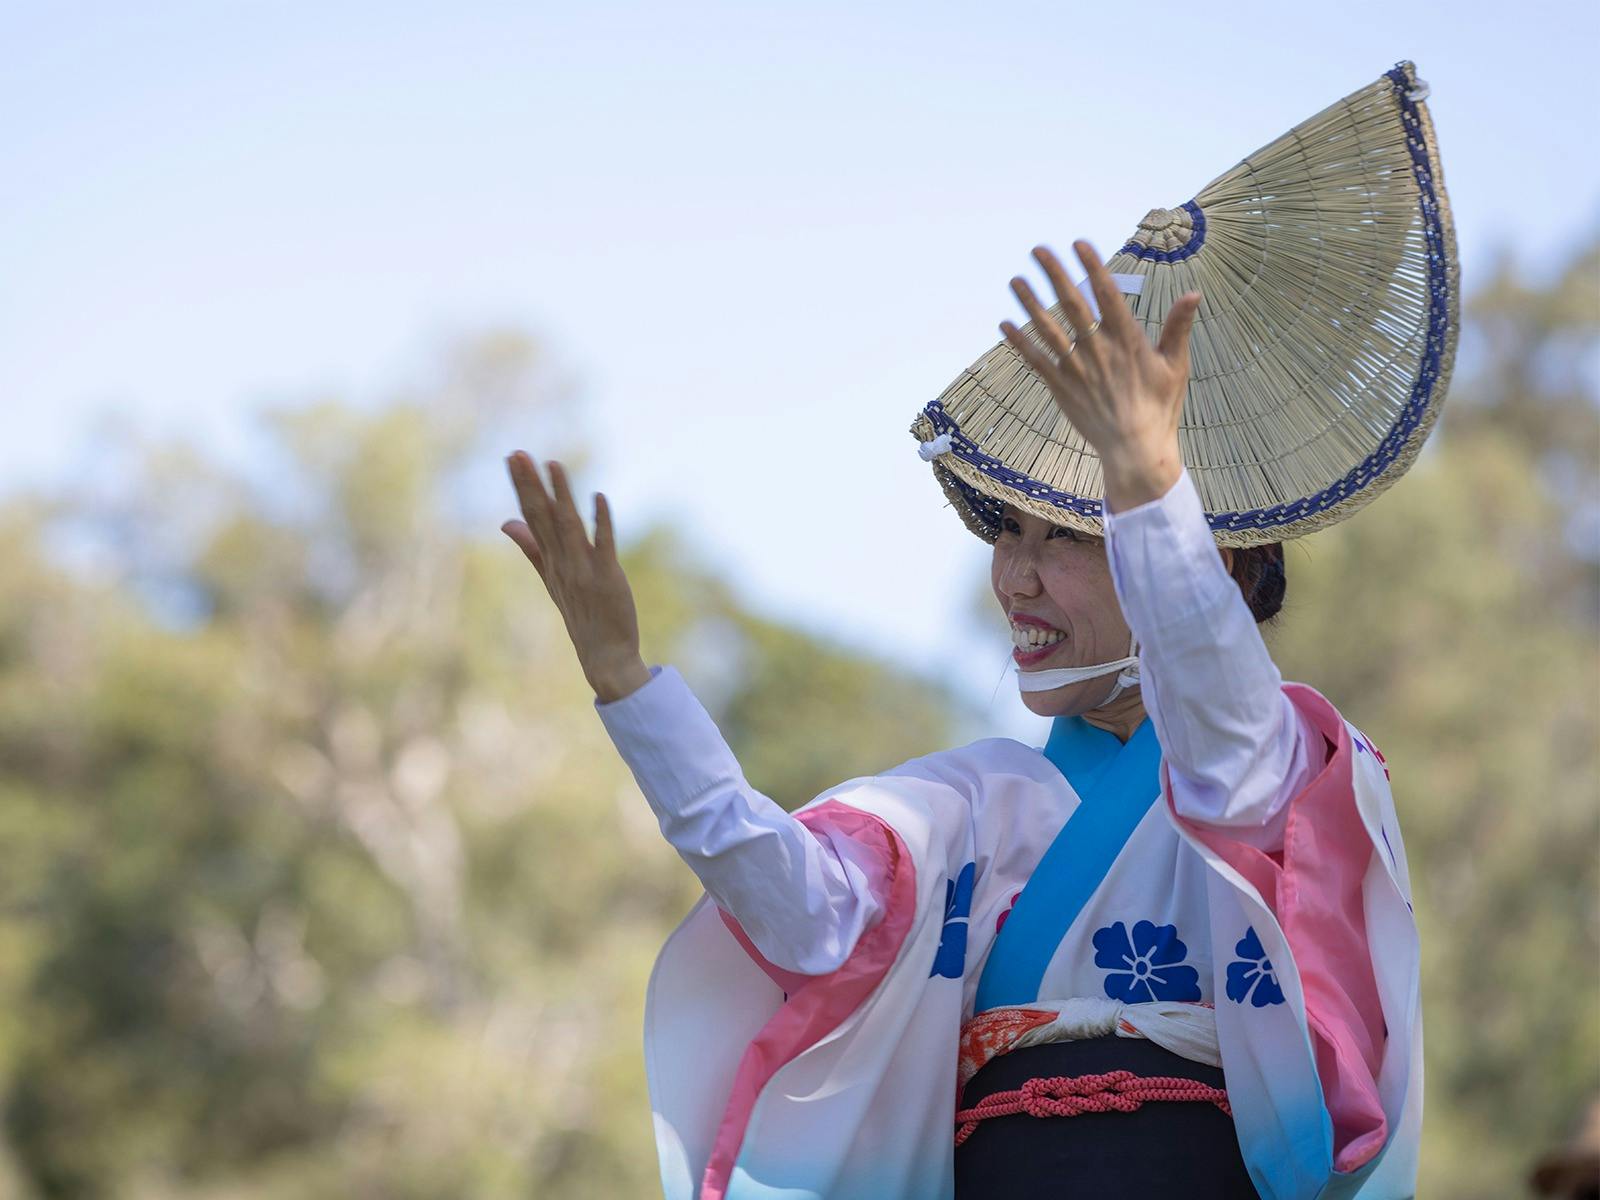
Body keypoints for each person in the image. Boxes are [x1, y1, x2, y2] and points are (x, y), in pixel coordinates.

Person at [504, 61, 1445, 1200]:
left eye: (1059, 537)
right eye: (1005, 536)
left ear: (1217, 561)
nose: (1012, 579)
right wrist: (629, 689)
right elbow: (795, 911)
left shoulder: (1278, 772)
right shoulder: (965, 803)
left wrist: (1148, 488)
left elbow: (1222, 728)